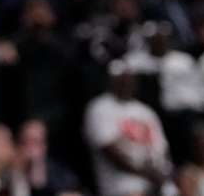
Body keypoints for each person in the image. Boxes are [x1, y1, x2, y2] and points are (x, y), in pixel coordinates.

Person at [84, 61, 172, 196]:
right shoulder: (99, 108)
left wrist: (161, 173)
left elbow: (162, 148)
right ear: (111, 80)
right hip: (123, 185)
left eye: (130, 78)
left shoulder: (145, 111)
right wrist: (146, 173)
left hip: (156, 181)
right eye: (122, 79)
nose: (127, 83)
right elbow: (109, 151)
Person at [17, 119, 79, 196]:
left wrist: (37, 166)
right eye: (26, 142)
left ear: (44, 145)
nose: (31, 147)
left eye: (36, 141)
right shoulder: (12, 171)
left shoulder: (61, 173)